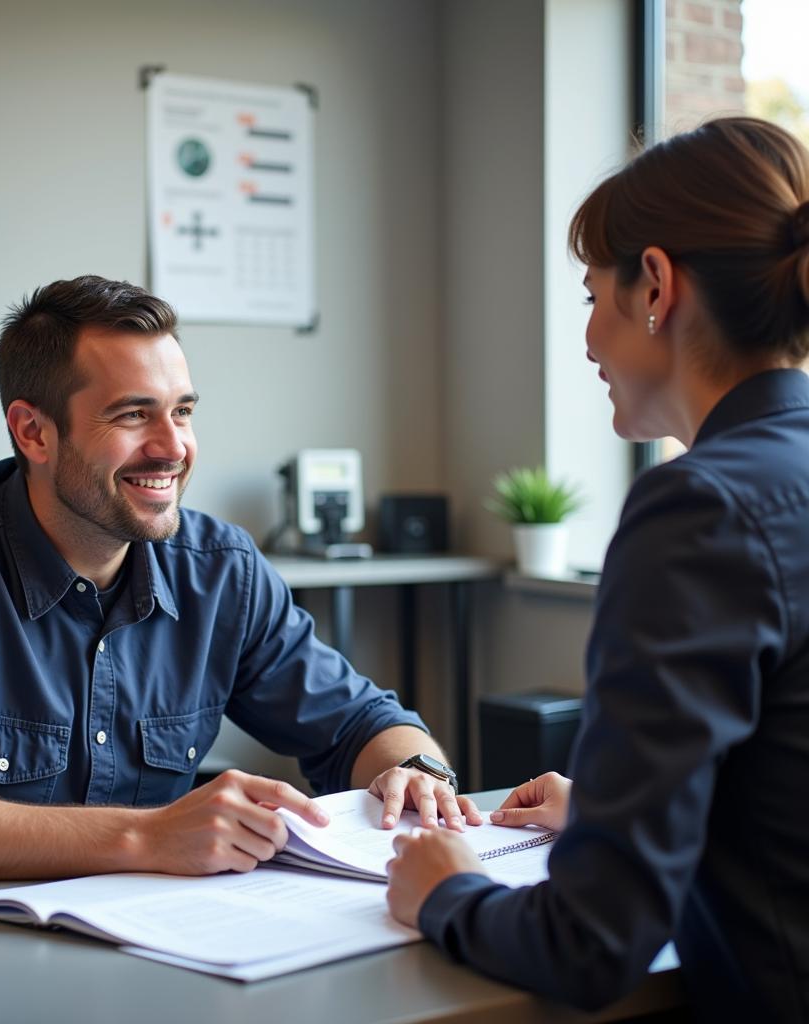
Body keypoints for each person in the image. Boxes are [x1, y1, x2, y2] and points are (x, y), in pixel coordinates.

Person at [386, 116, 809, 1020]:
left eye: (590, 297)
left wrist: (445, 890)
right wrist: (619, 816)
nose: (586, 341)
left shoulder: (700, 509)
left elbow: (591, 942)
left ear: (655, 285)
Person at [0, 275, 481, 881]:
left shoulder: (221, 569)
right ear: (34, 432)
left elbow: (360, 723)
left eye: (181, 412)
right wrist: (145, 835)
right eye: (134, 415)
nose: (173, 447)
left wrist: (417, 772)